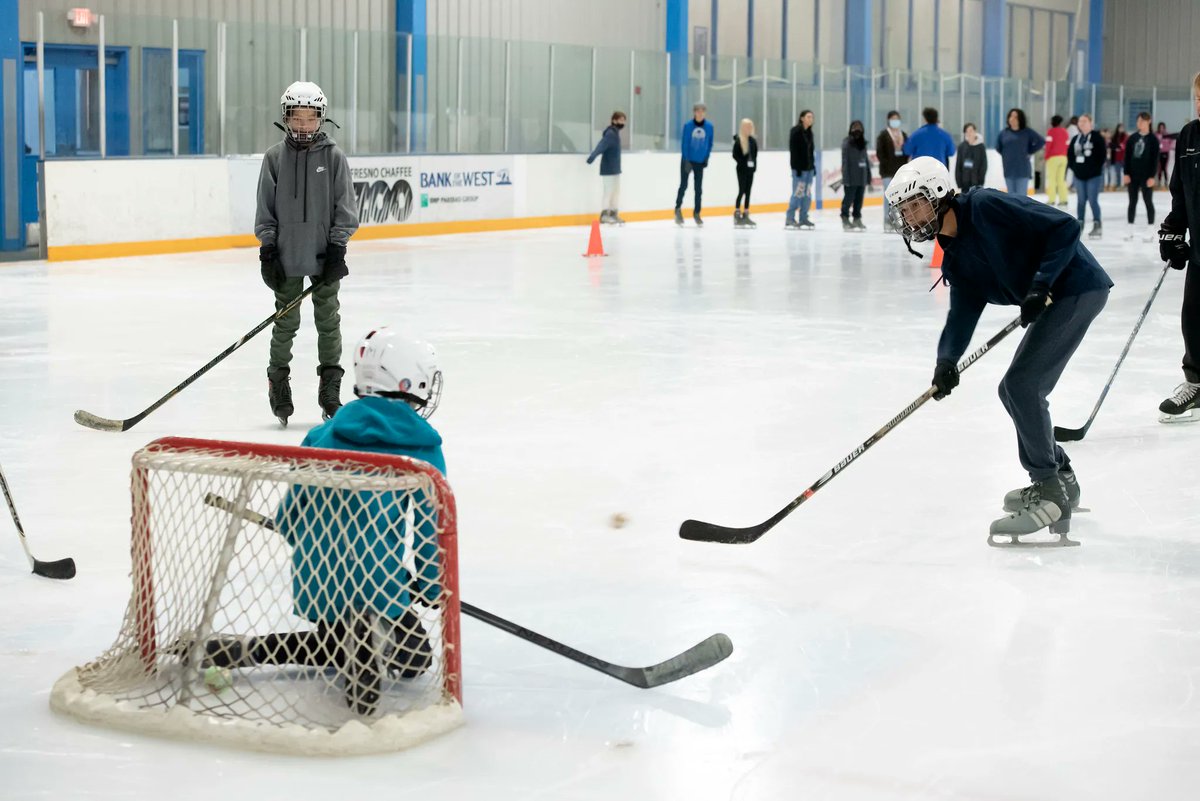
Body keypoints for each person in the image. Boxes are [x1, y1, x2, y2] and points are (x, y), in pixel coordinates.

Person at [192, 327, 447, 713]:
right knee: (413, 662)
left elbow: (295, 504)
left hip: (319, 577)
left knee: (337, 641)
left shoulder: (323, 433)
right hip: (380, 579)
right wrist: (428, 585)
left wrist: (289, 527)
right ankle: (357, 638)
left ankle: (259, 648)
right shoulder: (424, 448)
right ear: (410, 380)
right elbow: (431, 531)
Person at [884, 156, 1112, 546]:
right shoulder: (953, 254)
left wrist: (1040, 285)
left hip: (1076, 287)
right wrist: (946, 362)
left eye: (914, 204)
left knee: (1024, 386)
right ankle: (1061, 476)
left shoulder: (986, 207)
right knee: (1012, 389)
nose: (910, 216)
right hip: (1054, 297)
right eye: (904, 210)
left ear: (939, 193)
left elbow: (1065, 227)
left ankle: (1049, 492)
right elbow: (963, 312)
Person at [255, 81, 360, 427]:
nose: (303, 125)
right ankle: (278, 381)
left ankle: (330, 387)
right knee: (286, 322)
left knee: (328, 321)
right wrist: (268, 250)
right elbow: (265, 211)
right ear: (285, 118)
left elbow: (344, 207)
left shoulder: (333, 157)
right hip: (286, 256)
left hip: (322, 255)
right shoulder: (273, 158)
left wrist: (337, 248)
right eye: (296, 118)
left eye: (310, 118)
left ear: (321, 118)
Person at [1156, 72, 1200, 423]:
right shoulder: (1189, 135)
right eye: (1198, 97)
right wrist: (1173, 231)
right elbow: (1181, 191)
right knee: (1194, 316)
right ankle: (1196, 383)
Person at [675, 103, 714, 226]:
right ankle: (677, 209)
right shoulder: (688, 126)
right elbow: (685, 143)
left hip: (700, 161)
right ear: (694, 112)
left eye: (702, 111)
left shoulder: (709, 126)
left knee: (698, 189)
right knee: (684, 185)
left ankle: (697, 213)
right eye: (698, 111)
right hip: (688, 160)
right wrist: (686, 159)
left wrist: (706, 157)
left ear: (705, 112)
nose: (700, 113)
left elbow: (710, 143)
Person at [1123, 112, 1160, 242]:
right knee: (1132, 202)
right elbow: (1127, 156)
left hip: (1146, 176)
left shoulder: (1153, 139)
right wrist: (1126, 173)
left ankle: (1150, 230)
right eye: (1138, 121)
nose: (1139, 124)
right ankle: (1130, 229)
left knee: (1148, 201)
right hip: (1132, 175)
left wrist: (1152, 176)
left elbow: (1155, 159)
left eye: (1142, 121)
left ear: (1148, 121)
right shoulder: (1132, 138)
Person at [1068, 114, 1106, 238]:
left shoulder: (1097, 137)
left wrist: (1093, 170)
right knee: (1080, 201)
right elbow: (1070, 156)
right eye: (1080, 121)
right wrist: (1075, 169)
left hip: (1093, 176)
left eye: (1084, 121)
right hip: (1079, 176)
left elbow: (1102, 156)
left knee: (1092, 200)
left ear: (1091, 123)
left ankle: (1097, 225)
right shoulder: (1075, 139)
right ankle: (1080, 224)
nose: (1082, 123)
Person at [586, 110, 626, 225]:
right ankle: (604, 216)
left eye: (624, 120)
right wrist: (593, 156)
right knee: (608, 192)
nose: (623, 122)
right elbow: (601, 145)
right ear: (614, 120)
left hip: (615, 169)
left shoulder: (616, 134)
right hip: (608, 169)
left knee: (615, 193)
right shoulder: (610, 134)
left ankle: (613, 214)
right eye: (620, 120)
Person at [996, 108, 1043, 196]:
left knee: (1021, 197)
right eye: (1011, 116)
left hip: (1022, 171)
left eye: (1015, 117)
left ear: (1020, 119)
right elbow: (998, 148)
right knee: (1011, 198)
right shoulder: (1004, 133)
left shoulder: (1027, 132)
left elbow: (1041, 141)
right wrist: (1008, 156)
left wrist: (1030, 150)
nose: (1012, 119)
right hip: (1008, 170)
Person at [876, 110, 908, 232]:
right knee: (889, 196)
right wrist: (886, 164)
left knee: (900, 198)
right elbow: (880, 152)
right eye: (893, 118)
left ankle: (899, 220)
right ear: (889, 120)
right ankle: (887, 219)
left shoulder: (903, 134)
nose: (895, 121)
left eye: (897, 118)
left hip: (900, 171)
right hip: (887, 171)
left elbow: (907, 150)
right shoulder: (884, 135)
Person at [786, 110, 816, 230]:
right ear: (802, 118)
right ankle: (790, 218)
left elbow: (811, 152)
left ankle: (803, 217)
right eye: (808, 117)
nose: (811, 119)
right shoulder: (795, 132)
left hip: (809, 170)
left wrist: (813, 167)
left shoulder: (810, 133)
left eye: (812, 117)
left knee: (807, 194)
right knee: (798, 194)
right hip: (799, 170)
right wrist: (796, 168)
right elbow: (794, 152)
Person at [840, 120, 871, 231]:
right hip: (851, 177)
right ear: (851, 129)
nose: (857, 129)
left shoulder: (863, 143)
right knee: (848, 199)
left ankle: (857, 218)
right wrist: (846, 178)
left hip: (861, 177)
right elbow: (845, 161)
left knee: (859, 200)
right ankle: (845, 218)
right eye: (855, 127)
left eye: (859, 127)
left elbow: (866, 161)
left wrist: (868, 176)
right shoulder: (847, 143)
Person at [732, 118, 759, 228]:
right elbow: (735, 155)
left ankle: (746, 213)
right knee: (742, 190)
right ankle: (737, 212)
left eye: (750, 127)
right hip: (741, 170)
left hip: (750, 170)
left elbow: (755, 155)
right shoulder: (739, 140)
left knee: (748, 191)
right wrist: (742, 163)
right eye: (746, 127)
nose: (748, 129)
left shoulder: (753, 141)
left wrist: (754, 167)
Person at [1044, 115, 1069, 206]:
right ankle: (1063, 199)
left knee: (1052, 179)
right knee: (1061, 180)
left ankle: (1051, 199)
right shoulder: (1065, 132)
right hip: (1063, 158)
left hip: (1053, 158)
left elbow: (1048, 145)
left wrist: (1046, 156)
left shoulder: (1051, 132)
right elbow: (1067, 145)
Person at [955, 123, 988, 192]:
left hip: (977, 182)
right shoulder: (962, 146)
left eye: (971, 131)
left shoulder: (981, 146)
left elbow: (984, 164)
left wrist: (981, 180)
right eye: (966, 131)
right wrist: (959, 181)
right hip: (964, 182)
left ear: (975, 131)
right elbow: (958, 165)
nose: (969, 133)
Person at [1107, 123, 1127, 191]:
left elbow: (1125, 145)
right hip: (1116, 158)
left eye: (1122, 128)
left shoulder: (1125, 136)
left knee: (1125, 172)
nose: (1121, 129)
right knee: (1117, 172)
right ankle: (1118, 185)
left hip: (1124, 157)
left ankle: (1125, 185)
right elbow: (1111, 145)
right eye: (1120, 128)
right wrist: (1117, 147)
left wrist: (1120, 147)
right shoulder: (1114, 137)